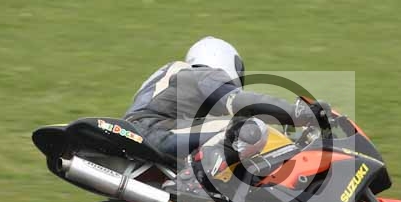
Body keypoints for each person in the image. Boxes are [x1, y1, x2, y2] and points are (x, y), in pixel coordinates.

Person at [123, 36, 313, 161]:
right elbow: (243, 104)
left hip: (138, 133)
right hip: (156, 131)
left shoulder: (174, 80)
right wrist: (295, 114)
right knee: (248, 128)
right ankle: (195, 183)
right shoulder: (203, 74)